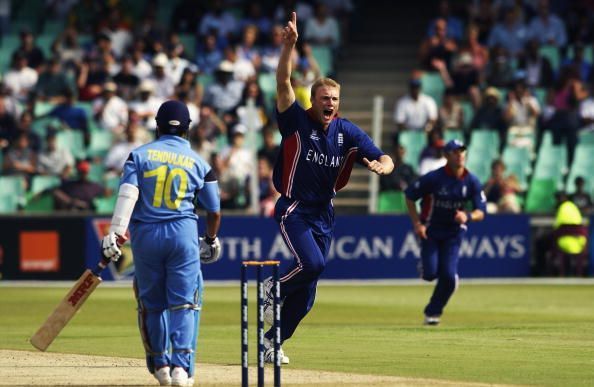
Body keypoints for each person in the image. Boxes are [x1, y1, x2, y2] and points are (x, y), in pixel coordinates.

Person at [260, 12, 394, 364]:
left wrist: (383, 165)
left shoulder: (346, 131)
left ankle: (272, 343)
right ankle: (271, 288)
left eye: (334, 99)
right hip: (294, 208)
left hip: (323, 212)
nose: (330, 104)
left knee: (307, 297)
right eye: (324, 98)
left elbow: (383, 155)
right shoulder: (296, 121)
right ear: (313, 100)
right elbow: (283, 81)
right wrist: (289, 47)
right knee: (314, 264)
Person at [99, 100, 222, 387]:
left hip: (146, 238)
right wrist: (211, 239)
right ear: (188, 129)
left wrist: (115, 233)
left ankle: (162, 367)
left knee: (152, 306)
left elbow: (127, 195)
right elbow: (214, 210)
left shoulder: (138, 155)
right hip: (182, 235)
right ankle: (181, 368)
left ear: (157, 126)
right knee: (184, 304)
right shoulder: (199, 163)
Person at [405, 139, 486, 325]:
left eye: (462, 152)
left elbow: (481, 211)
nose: (460, 155)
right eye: (455, 152)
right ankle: (426, 269)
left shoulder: (471, 181)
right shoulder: (433, 178)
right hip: (430, 231)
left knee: (448, 278)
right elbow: (409, 196)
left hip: (454, 233)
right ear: (446, 156)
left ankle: (432, 313)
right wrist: (417, 224)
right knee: (430, 274)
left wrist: (467, 216)